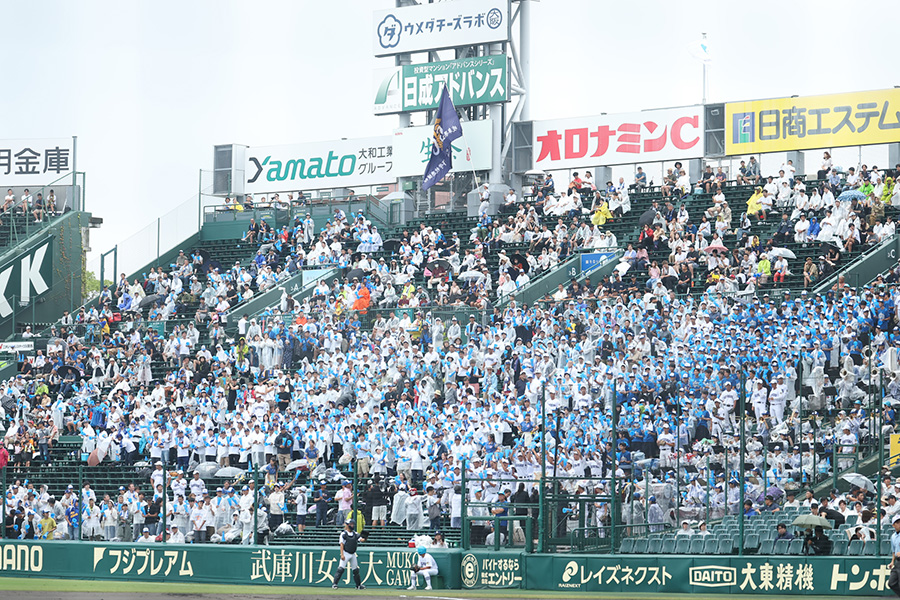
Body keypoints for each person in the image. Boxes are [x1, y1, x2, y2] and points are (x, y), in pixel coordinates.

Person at [332, 517, 367, 590]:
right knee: (341, 569)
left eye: (353, 524)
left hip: (353, 553)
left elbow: (361, 540)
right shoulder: (343, 534)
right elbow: (341, 544)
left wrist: (365, 537)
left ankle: (358, 585)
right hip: (346, 553)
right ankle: (335, 584)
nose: (352, 525)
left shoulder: (355, 534)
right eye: (351, 524)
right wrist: (342, 554)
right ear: (347, 525)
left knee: (355, 570)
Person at [889, 514, 900, 596]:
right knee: (891, 583)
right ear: (893, 525)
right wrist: (892, 562)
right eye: (897, 522)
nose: (899, 524)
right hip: (897, 562)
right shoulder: (893, 536)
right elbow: (893, 551)